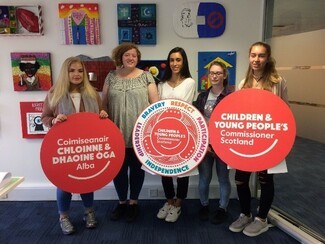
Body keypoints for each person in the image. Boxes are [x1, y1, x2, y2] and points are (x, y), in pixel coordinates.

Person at [41, 56, 108, 235]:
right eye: (72, 70)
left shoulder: (92, 93)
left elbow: (101, 116)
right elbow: (44, 118)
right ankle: (63, 217)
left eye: (80, 70)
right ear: (65, 72)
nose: (76, 74)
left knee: (87, 181)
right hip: (63, 148)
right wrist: (54, 120)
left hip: (86, 147)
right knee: (63, 184)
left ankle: (89, 212)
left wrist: (102, 115)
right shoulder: (54, 93)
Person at [229, 41, 288, 237]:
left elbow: (285, 112)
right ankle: (245, 214)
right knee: (240, 179)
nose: (256, 59)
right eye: (253, 55)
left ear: (268, 57)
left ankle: (261, 219)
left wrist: (283, 140)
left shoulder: (278, 82)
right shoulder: (242, 83)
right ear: (249, 57)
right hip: (246, 139)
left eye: (261, 55)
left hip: (268, 139)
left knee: (265, 180)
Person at [102, 42, 159, 223]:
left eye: (134, 55)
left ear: (138, 58)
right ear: (120, 57)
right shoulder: (111, 76)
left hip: (139, 134)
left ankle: (133, 202)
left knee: (136, 170)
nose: (130, 58)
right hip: (115, 132)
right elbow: (104, 103)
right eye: (127, 55)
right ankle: (121, 202)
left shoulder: (146, 77)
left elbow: (155, 105)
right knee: (118, 171)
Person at [156, 47, 196, 223]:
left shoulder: (190, 82)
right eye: (172, 60)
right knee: (164, 169)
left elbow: (184, 106)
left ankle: (178, 204)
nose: (175, 63)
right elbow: (156, 108)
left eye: (178, 60)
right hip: (163, 132)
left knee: (182, 171)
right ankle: (169, 201)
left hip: (183, 132)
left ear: (184, 62)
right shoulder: (161, 84)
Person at [193, 61, 232, 224]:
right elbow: (196, 121)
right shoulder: (202, 96)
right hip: (204, 145)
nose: (214, 76)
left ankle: (223, 208)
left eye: (218, 73)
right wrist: (205, 144)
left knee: (223, 178)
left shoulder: (230, 97)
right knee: (205, 178)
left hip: (223, 145)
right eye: (212, 73)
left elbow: (232, 123)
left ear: (224, 75)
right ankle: (204, 205)